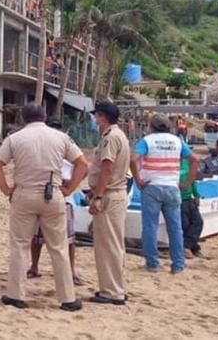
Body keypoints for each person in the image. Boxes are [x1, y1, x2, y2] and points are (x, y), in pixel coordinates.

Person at [0, 104, 88, 311]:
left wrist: (6, 189)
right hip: (52, 193)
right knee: (59, 247)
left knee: (19, 245)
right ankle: (67, 298)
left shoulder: (15, 138)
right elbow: (82, 164)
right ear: (44, 116)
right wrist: (70, 188)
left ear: (23, 118)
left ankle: (16, 294)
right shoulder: (60, 137)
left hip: (24, 193)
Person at [131, 112, 198, 274]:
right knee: (175, 228)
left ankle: (153, 263)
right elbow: (194, 159)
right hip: (172, 187)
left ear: (151, 126)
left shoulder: (146, 141)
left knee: (150, 226)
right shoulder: (178, 141)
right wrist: (187, 183)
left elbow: (133, 160)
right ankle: (178, 264)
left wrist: (138, 180)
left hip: (152, 186)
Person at [26, 120, 83, 286]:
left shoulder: (68, 146)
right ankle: (35, 266)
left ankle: (71, 271)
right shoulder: (45, 147)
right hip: (45, 194)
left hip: (62, 197)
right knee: (37, 237)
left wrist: (70, 186)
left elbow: (82, 167)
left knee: (68, 238)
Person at [87, 102, 131, 306]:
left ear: (102, 117)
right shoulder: (118, 135)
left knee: (108, 245)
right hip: (116, 193)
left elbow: (106, 168)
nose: (94, 120)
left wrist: (98, 196)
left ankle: (112, 291)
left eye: (96, 116)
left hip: (110, 194)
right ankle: (117, 287)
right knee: (114, 244)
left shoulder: (110, 138)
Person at [180, 158, 205, 258]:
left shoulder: (187, 163)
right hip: (178, 199)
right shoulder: (171, 164)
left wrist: (196, 195)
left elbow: (192, 179)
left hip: (189, 197)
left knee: (198, 222)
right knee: (185, 224)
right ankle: (191, 247)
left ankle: (189, 246)